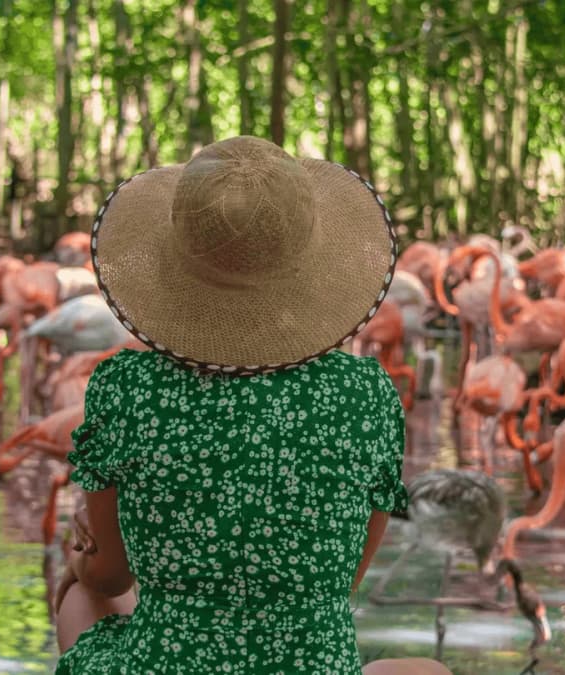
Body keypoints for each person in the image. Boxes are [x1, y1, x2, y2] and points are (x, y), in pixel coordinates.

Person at [52, 136, 451, 675]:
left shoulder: (128, 388)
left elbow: (110, 579)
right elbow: (342, 584)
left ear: (173, 264)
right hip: (311, 667)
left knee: (80, 595)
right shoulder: (366, 394)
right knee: (427, 670)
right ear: (313, 266)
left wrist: (81, 557)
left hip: (165, 665)